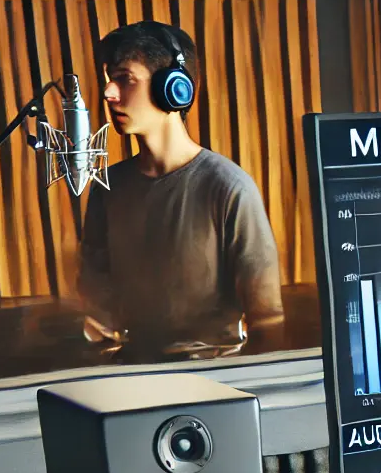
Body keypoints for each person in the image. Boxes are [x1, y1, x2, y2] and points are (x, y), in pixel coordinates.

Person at [78, 21, 284, 363]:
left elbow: (269, 323)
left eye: (125, 79)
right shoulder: (108, 188)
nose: (109, 93)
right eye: (109, 80)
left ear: (173, 88)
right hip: (129, 376)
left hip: (212, 383)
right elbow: (97, 308)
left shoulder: (229, 187)